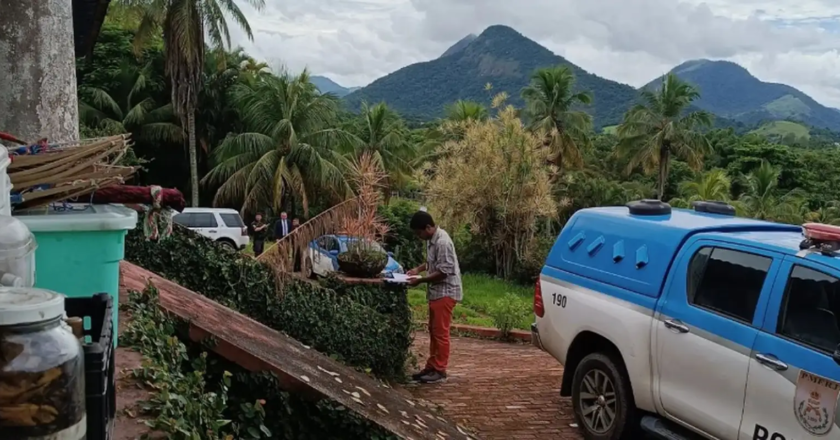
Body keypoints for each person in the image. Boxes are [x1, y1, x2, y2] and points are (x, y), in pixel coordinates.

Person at [406, 210, 462, 384]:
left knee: (441, 333)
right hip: (437, 293)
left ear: (429, 227)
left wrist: (421, 280)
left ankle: (440, 369)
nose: (418, 236)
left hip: (446, 292)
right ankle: (431, 366)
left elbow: (444, 272)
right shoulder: (432, 240)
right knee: (434, 331)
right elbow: (432, 262)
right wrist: (418, 270)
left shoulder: (443, 242)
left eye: (419, 232)